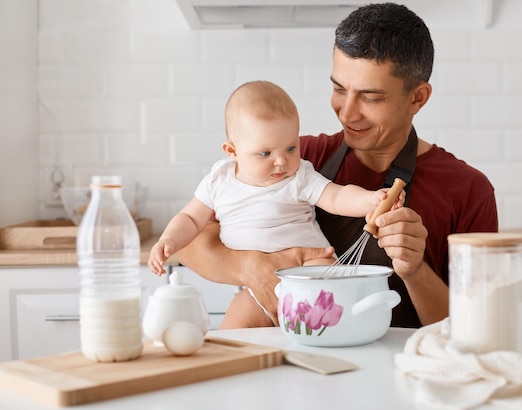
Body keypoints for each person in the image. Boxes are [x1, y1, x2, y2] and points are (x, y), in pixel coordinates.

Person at [178, 2, 498, 328]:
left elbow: (481, 329)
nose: (347, 112)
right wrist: (250, 267)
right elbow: (187, 243)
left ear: (417, 98)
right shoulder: (295, 160)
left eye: (370, 97)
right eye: (338, 89)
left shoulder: (467, 190)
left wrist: (415, 270)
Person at [148, 80, 404, 328]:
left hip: (309, 269)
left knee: (330, 303)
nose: (281, 161)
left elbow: (336, 197)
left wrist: (371, 200)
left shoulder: (299, 177)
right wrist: (169, 240)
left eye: (291, 148)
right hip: (256, 287)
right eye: (265, 153)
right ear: (232, 151)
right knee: (232, 333)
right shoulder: (218, 180)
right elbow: (191, 219)